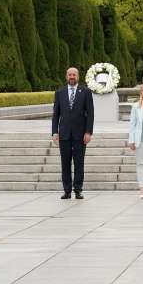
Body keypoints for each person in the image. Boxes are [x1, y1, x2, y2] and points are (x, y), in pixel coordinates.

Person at [51, 67, 94, 199]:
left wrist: (88, 132)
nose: (72, 77)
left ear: (78, 77)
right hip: (64, 134)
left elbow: (90, 114)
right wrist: (54, 132)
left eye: (74, 75)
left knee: (79, 163)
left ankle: (78, 189)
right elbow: (55, 115)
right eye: (69, 74)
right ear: (66, 76)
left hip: (80, 135)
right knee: (65, 163)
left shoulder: (85, 92)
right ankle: (67, 190)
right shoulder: (60, 92)